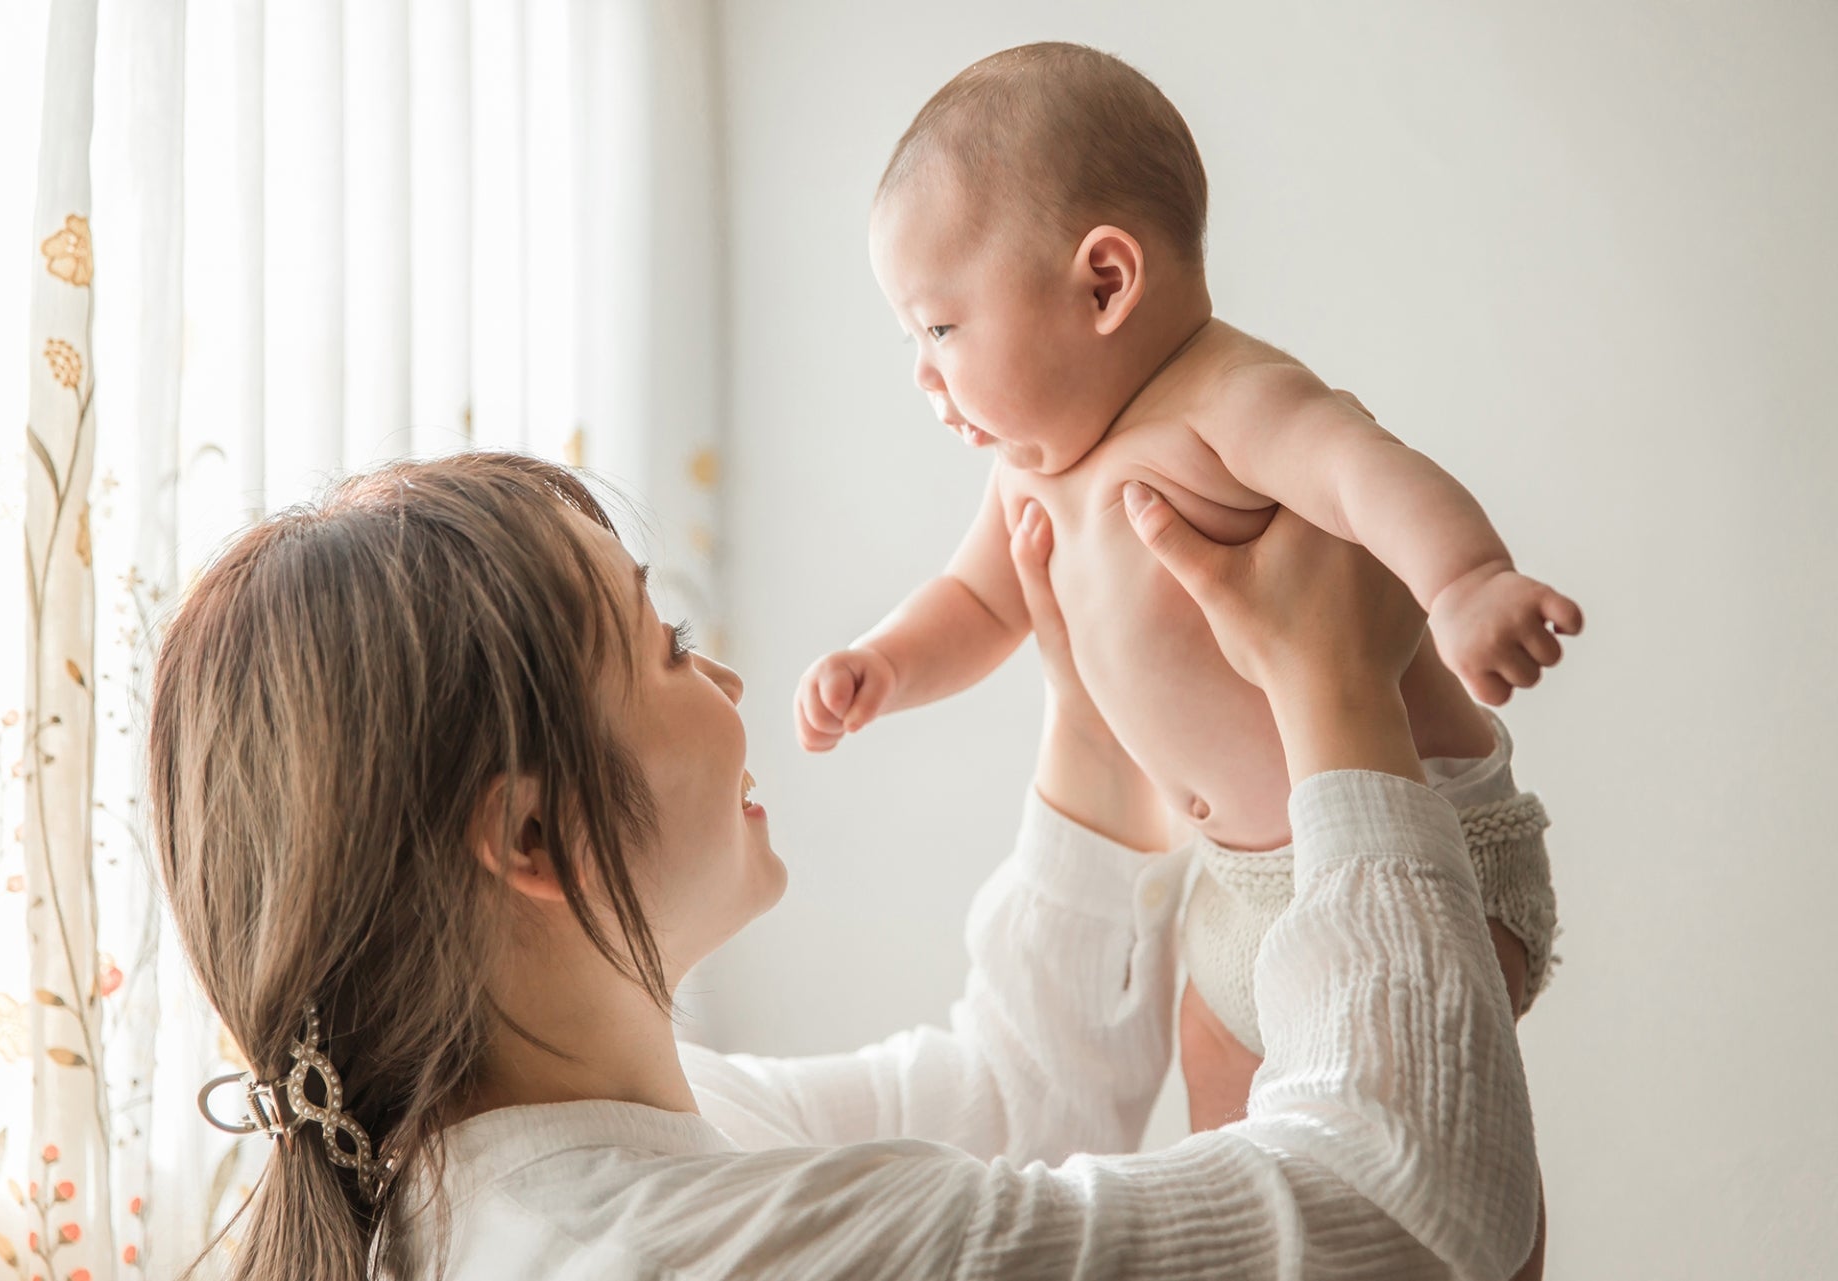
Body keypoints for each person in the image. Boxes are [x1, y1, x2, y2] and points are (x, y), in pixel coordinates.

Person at [155, 450, 1539, 1280]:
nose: (733, 680)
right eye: (669, 647)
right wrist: (1332, 689)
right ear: (530, 839)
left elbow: (1016, 1100)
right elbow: (1411, 1216)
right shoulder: (697, 1252)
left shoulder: (522, 1176)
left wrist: (1087, 681)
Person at [791, 42, 1573, 1137]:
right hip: (1236, 887)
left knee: (1442, 1118)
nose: (923, 371)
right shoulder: (1033, 465)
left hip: (1416, 849)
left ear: (1104, 282)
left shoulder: (1225, 399)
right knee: (1222, 1091)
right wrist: (882, 662)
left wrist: (1466, 581)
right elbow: (975, 604)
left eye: (940, 326)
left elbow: (1363, 472)